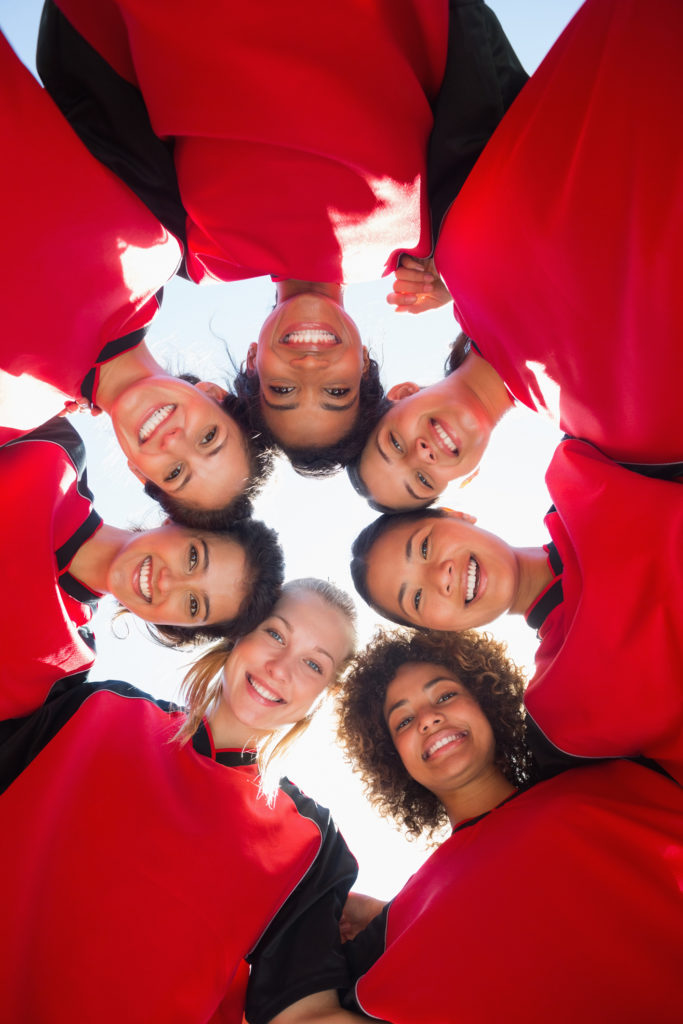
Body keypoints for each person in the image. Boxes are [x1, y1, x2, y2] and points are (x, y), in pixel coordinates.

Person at [37, 0, 527, 472]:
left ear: (254, 358)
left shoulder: (182, 250)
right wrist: (467, 246)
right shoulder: (426, 237)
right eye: (338, 393)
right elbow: (485, 83)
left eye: (281, 391)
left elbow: (91, 104)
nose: (308, 370)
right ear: (364, 366)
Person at [352, 0, 683, 511]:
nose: (419, 454)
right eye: (422, 481)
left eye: (393, 444)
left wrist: (446, 238)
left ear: (401, 393)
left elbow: (459, 29)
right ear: (465, 480)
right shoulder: (622, 450)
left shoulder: (455, 238)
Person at [0, 579, 368, 1024]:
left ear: (322, 696)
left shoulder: (312, 844)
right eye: (274, 634)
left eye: (313, 664)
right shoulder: (98, 708)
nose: (280, 668)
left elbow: (305, 1011)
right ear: (240, 631)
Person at [336, 628, 683, 1023]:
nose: (429, 719)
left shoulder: (617, 777)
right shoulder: (401, 927)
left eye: (446, 695)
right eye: (403, 721)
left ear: (485, 700)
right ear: (394, 759)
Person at [0, 31, 272, 524]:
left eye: (175, 474)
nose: (175, 443)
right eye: (209, 437)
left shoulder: (10, 415)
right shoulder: (154, 243)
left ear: (134, 470)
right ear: (211, 393)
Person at [350, 437, 683, 782]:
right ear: (439, 629)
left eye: (424, 546)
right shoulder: (558, 721)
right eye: (417, 599)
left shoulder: (587, 468)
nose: (441, 577)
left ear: (457, 515)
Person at [1, 416, 284, 721]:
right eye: (193, 558)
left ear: (177, 627)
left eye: (192, 604)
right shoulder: (53, 448)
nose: (168, 582)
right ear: (177, 520)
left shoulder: (61, 671)